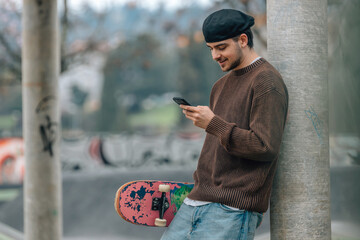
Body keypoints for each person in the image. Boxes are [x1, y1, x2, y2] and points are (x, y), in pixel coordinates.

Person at [161, 9, 288, 240]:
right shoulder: (219, 86)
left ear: (243, 40)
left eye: (221, 47)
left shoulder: (266, 80)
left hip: (232, 210)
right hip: (195, 202)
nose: (215, 56)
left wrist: (214, 124)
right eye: (210, 48)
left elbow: (265, 146)